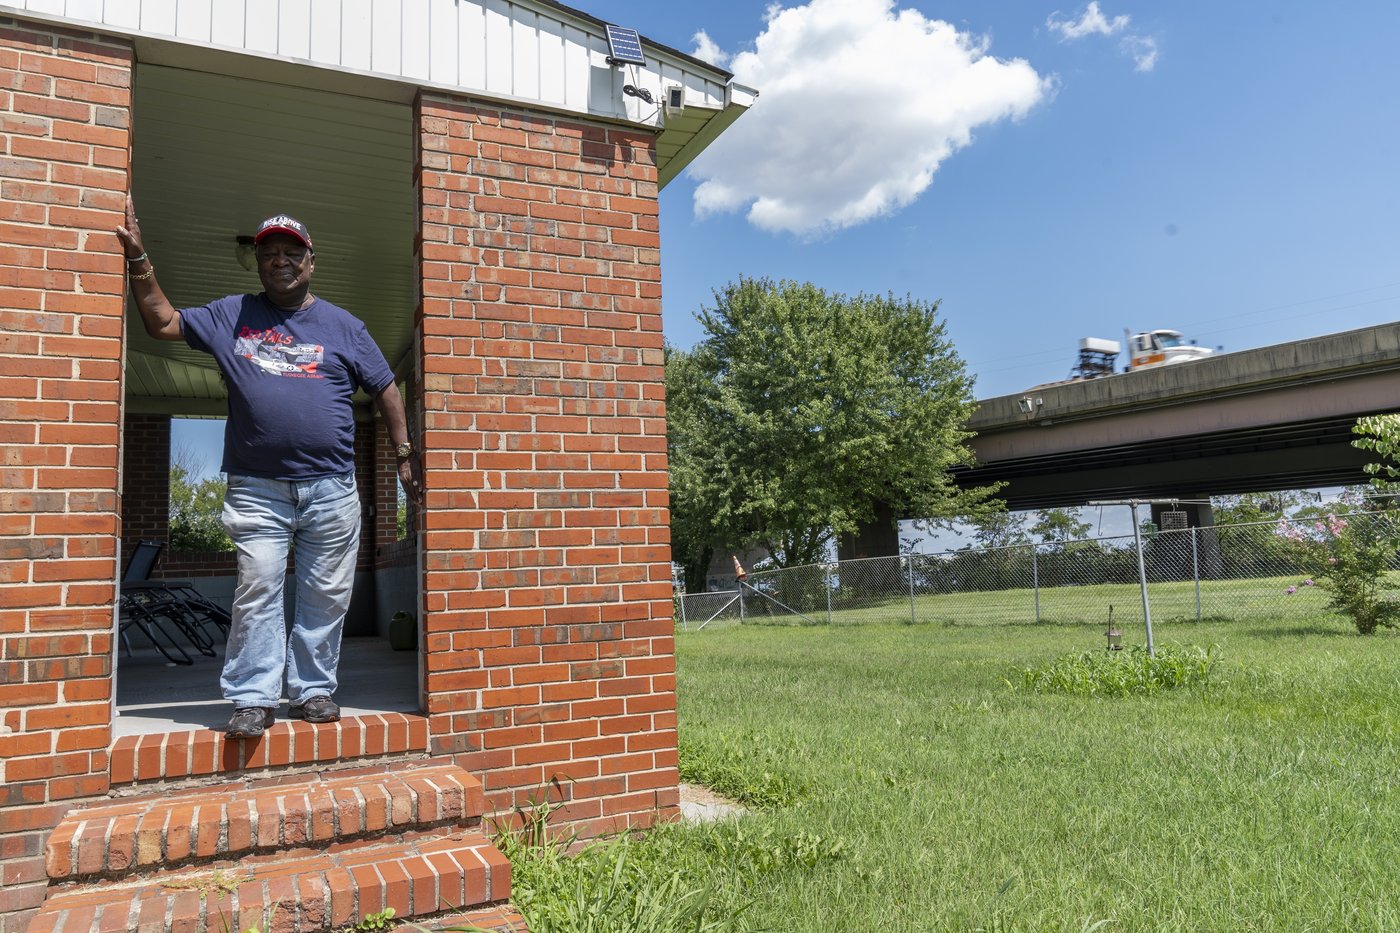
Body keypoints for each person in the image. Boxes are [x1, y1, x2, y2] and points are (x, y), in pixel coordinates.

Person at [116, 197, 423, 738]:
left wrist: (403, 453)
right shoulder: (232, 314)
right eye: (269, 253)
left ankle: (312, 690)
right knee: (257, 583)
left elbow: (386, 388)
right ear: (259, 264)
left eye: (291, 251)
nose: (280, 260)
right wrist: (140, 261)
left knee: (325, 592)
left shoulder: (344, 325)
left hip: (331, 487)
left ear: (311, 261)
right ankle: (254, 697)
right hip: (258, 489)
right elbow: (162, 322)